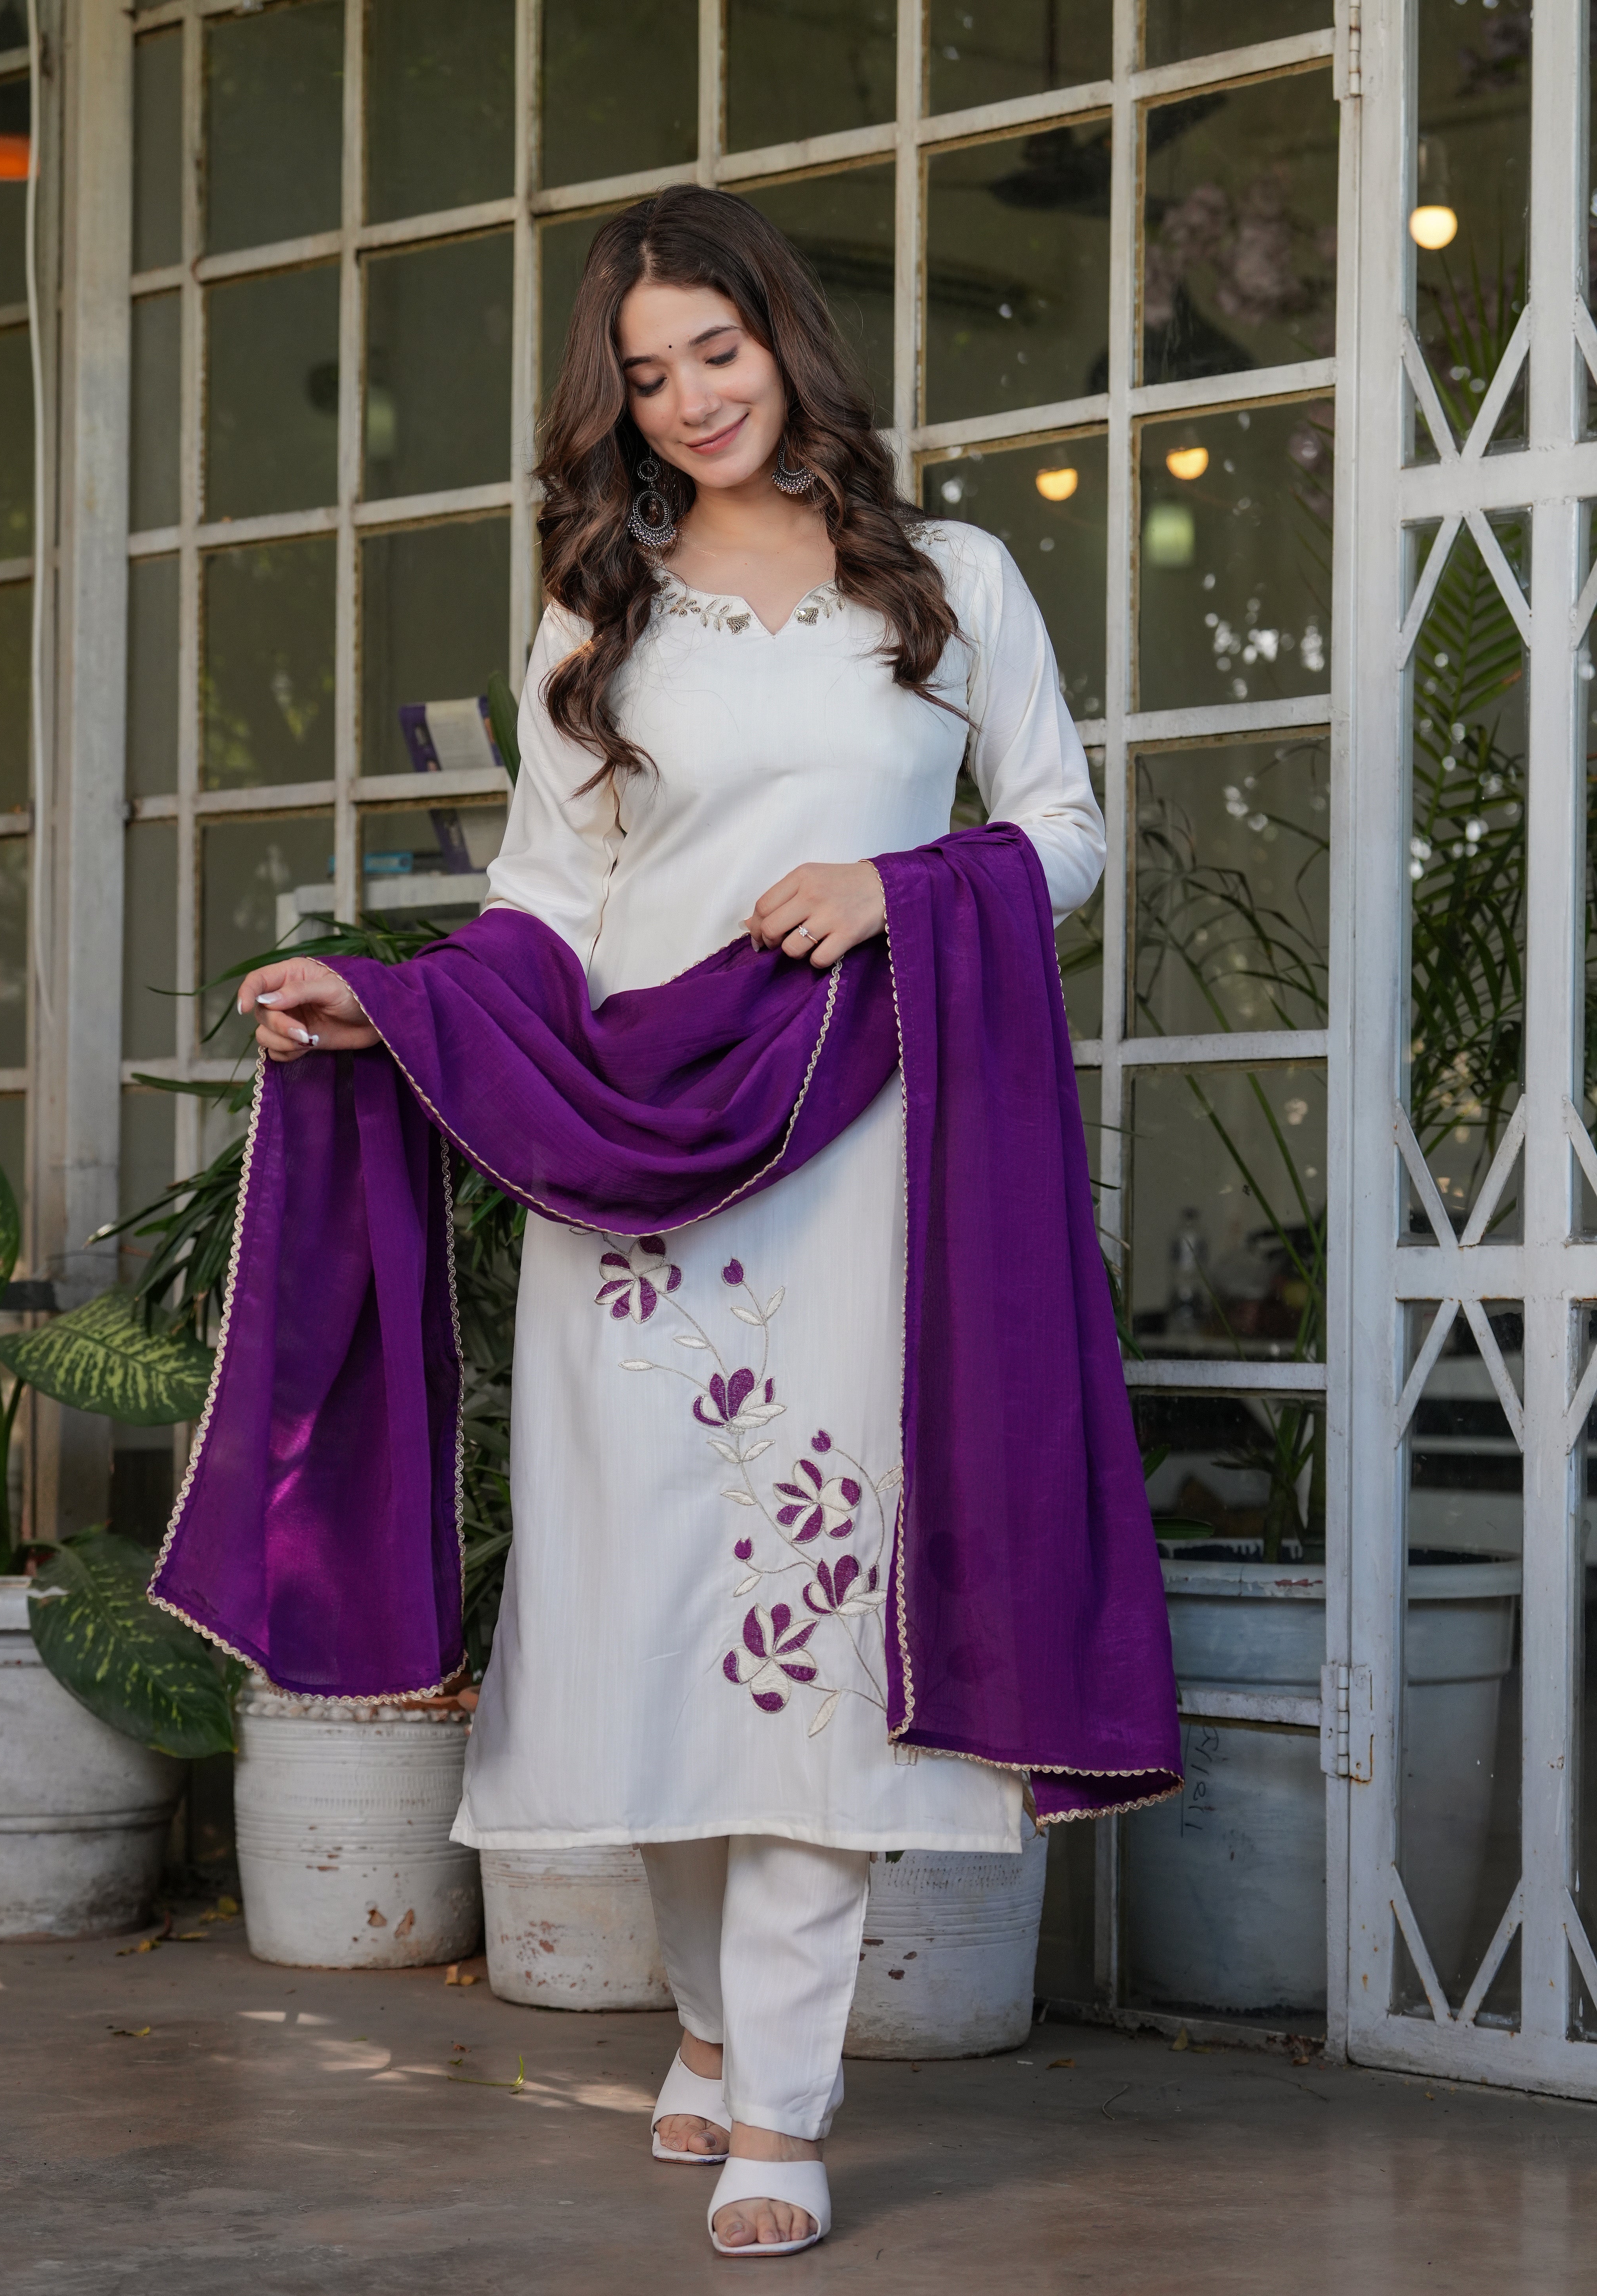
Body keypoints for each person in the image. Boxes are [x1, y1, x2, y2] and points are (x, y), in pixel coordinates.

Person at [237, 185, 1107, 2259]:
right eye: (648, 374)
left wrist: (901, 889)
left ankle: (780, 2102)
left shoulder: (951, 584)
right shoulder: (600, 608)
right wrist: (388, 998)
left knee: (813, 1625)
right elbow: (547, 900)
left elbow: (1064, 834)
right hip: (631, 1169)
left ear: (786, 338)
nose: (694, 397)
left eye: (718, 348)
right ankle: (710, 2021)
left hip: (864, 1163)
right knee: (660, 1625)